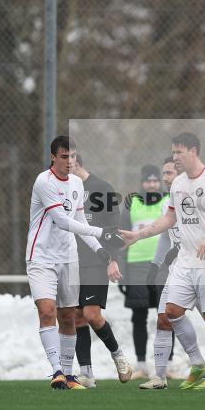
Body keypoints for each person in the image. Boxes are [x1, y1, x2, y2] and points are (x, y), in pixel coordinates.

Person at [121, 132, 205, 391]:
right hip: (185, 262)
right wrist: (139, 236)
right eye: (173, 152)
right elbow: (169, 220)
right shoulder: (178, 184)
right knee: (171, 313)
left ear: (193, 151)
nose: (174, 157)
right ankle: (198, 364)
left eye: (178, 152)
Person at [27, 136, 124, 390]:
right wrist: (103, 233)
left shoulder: (77, 184)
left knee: (69, 316)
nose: (69, 161)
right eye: (63, 156)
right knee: (47, 310)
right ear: (53, 157)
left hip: (69, 257)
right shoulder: (43, 181)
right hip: (41, 256)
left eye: (72, 156)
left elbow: (82, 224)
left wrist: (101, 250)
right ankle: (57, 371)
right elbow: (62, 220)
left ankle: (69, 376)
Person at [69, 155, 132, 387]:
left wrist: (113, 259)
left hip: (96, 260)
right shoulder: (64, 189)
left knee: (91, 314)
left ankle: (117, 355)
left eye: (70, 166)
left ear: (77, 164)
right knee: (76, 316)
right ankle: (87, 373)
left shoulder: (101, 188)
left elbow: (113, 229)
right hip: (71, 261)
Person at [138, 157, 186, 390]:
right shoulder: (170, 203)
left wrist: (178, 249)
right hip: (178, 271)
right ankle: (159, 376)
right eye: (163, 174)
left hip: (203, 268)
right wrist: (156, 265)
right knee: (165, 317)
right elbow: (166, 234)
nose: (164, 179)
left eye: (168, 174)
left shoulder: (194, 197)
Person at [120, 164, 166, 379]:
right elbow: (121, 237)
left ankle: (167, 363)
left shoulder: (168, 201)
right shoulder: (132, 202)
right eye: (148, 181)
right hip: (136, 265)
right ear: (142, 182)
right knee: (139, 315)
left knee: (166, 315)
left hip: (162, 266)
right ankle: (141, 364)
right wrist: (121, 267)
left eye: (155, 180)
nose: (151, 184)